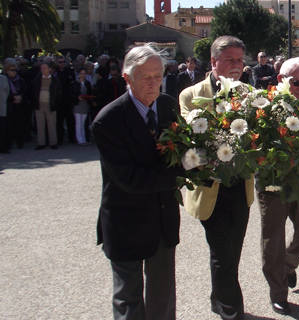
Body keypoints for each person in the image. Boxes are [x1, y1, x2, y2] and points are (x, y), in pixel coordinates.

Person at [92, 44, 182, 320]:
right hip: (125, 221)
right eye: (146, 77)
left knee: (162, 295)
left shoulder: (167, 104)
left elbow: (180, 147)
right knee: (128, 299)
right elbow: (131, 179)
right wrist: (183, 172)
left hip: (163, 219)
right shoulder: (108, 121)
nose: (155, 83)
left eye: (159, 75)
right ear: (127, 78)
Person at [179, 35, 254, 320]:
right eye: (230, 59)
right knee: (222, 252)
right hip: (210, 186)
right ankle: (231, 311)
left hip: (240, 186)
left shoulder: (248, 91)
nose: (237, 65)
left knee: (232, 251)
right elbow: (191, 141)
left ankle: (217, 299)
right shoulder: (192, 94)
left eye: (239, 59)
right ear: (213, 62)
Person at [257, 57, 299, 316]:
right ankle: (278, 292)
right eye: (295, 82)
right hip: (273, 182)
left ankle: (286, 266)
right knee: (273, 238)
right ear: (280, 78)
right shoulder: (264, 105)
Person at [32, 62, 62, 150]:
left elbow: (59, 94)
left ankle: (53, 143)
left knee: (52, 125)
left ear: (49, 69)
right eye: (41, 68)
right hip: (39, 105)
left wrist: (56, 104)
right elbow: (34, 92)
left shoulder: (55, 80)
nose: (42, 70)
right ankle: (41, 143)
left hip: (51, 105)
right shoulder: (37, 79)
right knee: (40, 125)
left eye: (44, 68)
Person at [4, 62, 27, 150]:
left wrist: (20, 96)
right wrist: (13, 97)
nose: (14, 72)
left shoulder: (20, 80)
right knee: (9, 126)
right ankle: (8, 144)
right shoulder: (4, 80)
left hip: (19, 104)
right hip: (9, 105)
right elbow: (3, 93)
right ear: (7, 71)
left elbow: (24, 89)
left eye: (15, 70)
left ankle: (20, 143)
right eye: (12, 70)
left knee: (20, 125)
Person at [55, 55, 77, 145]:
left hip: (68, 99)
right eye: (60, 62)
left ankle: (72, 137)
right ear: (57, 63)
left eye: (64, 61)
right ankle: (59, 138)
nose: (62, 63)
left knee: (70, 120)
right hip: (59, 100)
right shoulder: (55, 73)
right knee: (59, 121)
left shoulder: (70, 72)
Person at [70, 67, 93, 146]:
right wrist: (77, 97)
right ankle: (80, 140)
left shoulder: (87, 83)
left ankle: (84, 139)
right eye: (81, 73)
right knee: (78, 123)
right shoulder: (74, 83)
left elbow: (90, 93)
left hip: (85, 105)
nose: (83, 75)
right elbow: (70, 95)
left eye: (84, 73)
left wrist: (89, 98)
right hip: (77, 105)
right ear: (78, 74)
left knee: (83, 123)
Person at [0, 74, 9, 153]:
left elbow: (7, 91)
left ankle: (2, 147)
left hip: (1, 108)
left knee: (2, 129)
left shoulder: (3, 79)